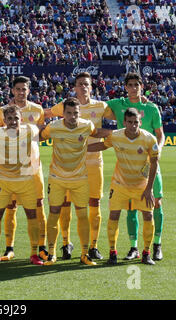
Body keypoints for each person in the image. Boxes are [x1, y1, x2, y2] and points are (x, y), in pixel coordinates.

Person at [44, 72, 110, 260]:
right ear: (75, 87)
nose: (83, 87)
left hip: (93, 162)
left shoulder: (101, 106)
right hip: (68, 166)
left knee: (94, 203)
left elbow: (121, 114)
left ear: (91, 87)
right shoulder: (66, 105)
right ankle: (66, 243)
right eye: (80, 84)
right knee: (65, 204)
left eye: (86, 84)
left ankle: (93, 246)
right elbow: (45, 113)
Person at [105, 73, 165, 261]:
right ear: (126, 87)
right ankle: (133, 247)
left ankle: (156, 243)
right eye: (129, 85)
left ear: (141, 86)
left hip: (149, 164)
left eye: (136, 85)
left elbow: (160, 133)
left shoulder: (151, 108)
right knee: (131, 207)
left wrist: (159, 150)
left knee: (156, 203)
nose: (133, 88)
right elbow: (98, 108)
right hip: (130, 167)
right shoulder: (117, 104)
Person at [0, 76, 48, 262]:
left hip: (33, 168)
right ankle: (8, 248)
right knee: (10, 207)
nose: (21, 92)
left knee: (38, 206)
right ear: (13, 90)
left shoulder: (37, 110)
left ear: (29, 90)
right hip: (8, 172)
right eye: (18, 89)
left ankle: (41, 247)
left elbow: (43, 133)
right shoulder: (2, 111)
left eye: (24, 89)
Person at [88, 108, 159, 265]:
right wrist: (82, 149)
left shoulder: (149, 139)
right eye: (130, 122)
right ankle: (113, 252)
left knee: (148, 216)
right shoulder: (116, 136)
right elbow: (102, 146)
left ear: (140, 122)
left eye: (136, 122)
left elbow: (154, 164)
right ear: (125, 122)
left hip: (142, 186)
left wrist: (149, 189)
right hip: (119, 184)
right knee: (114, 216)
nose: (133, 125)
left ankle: (146, 253)